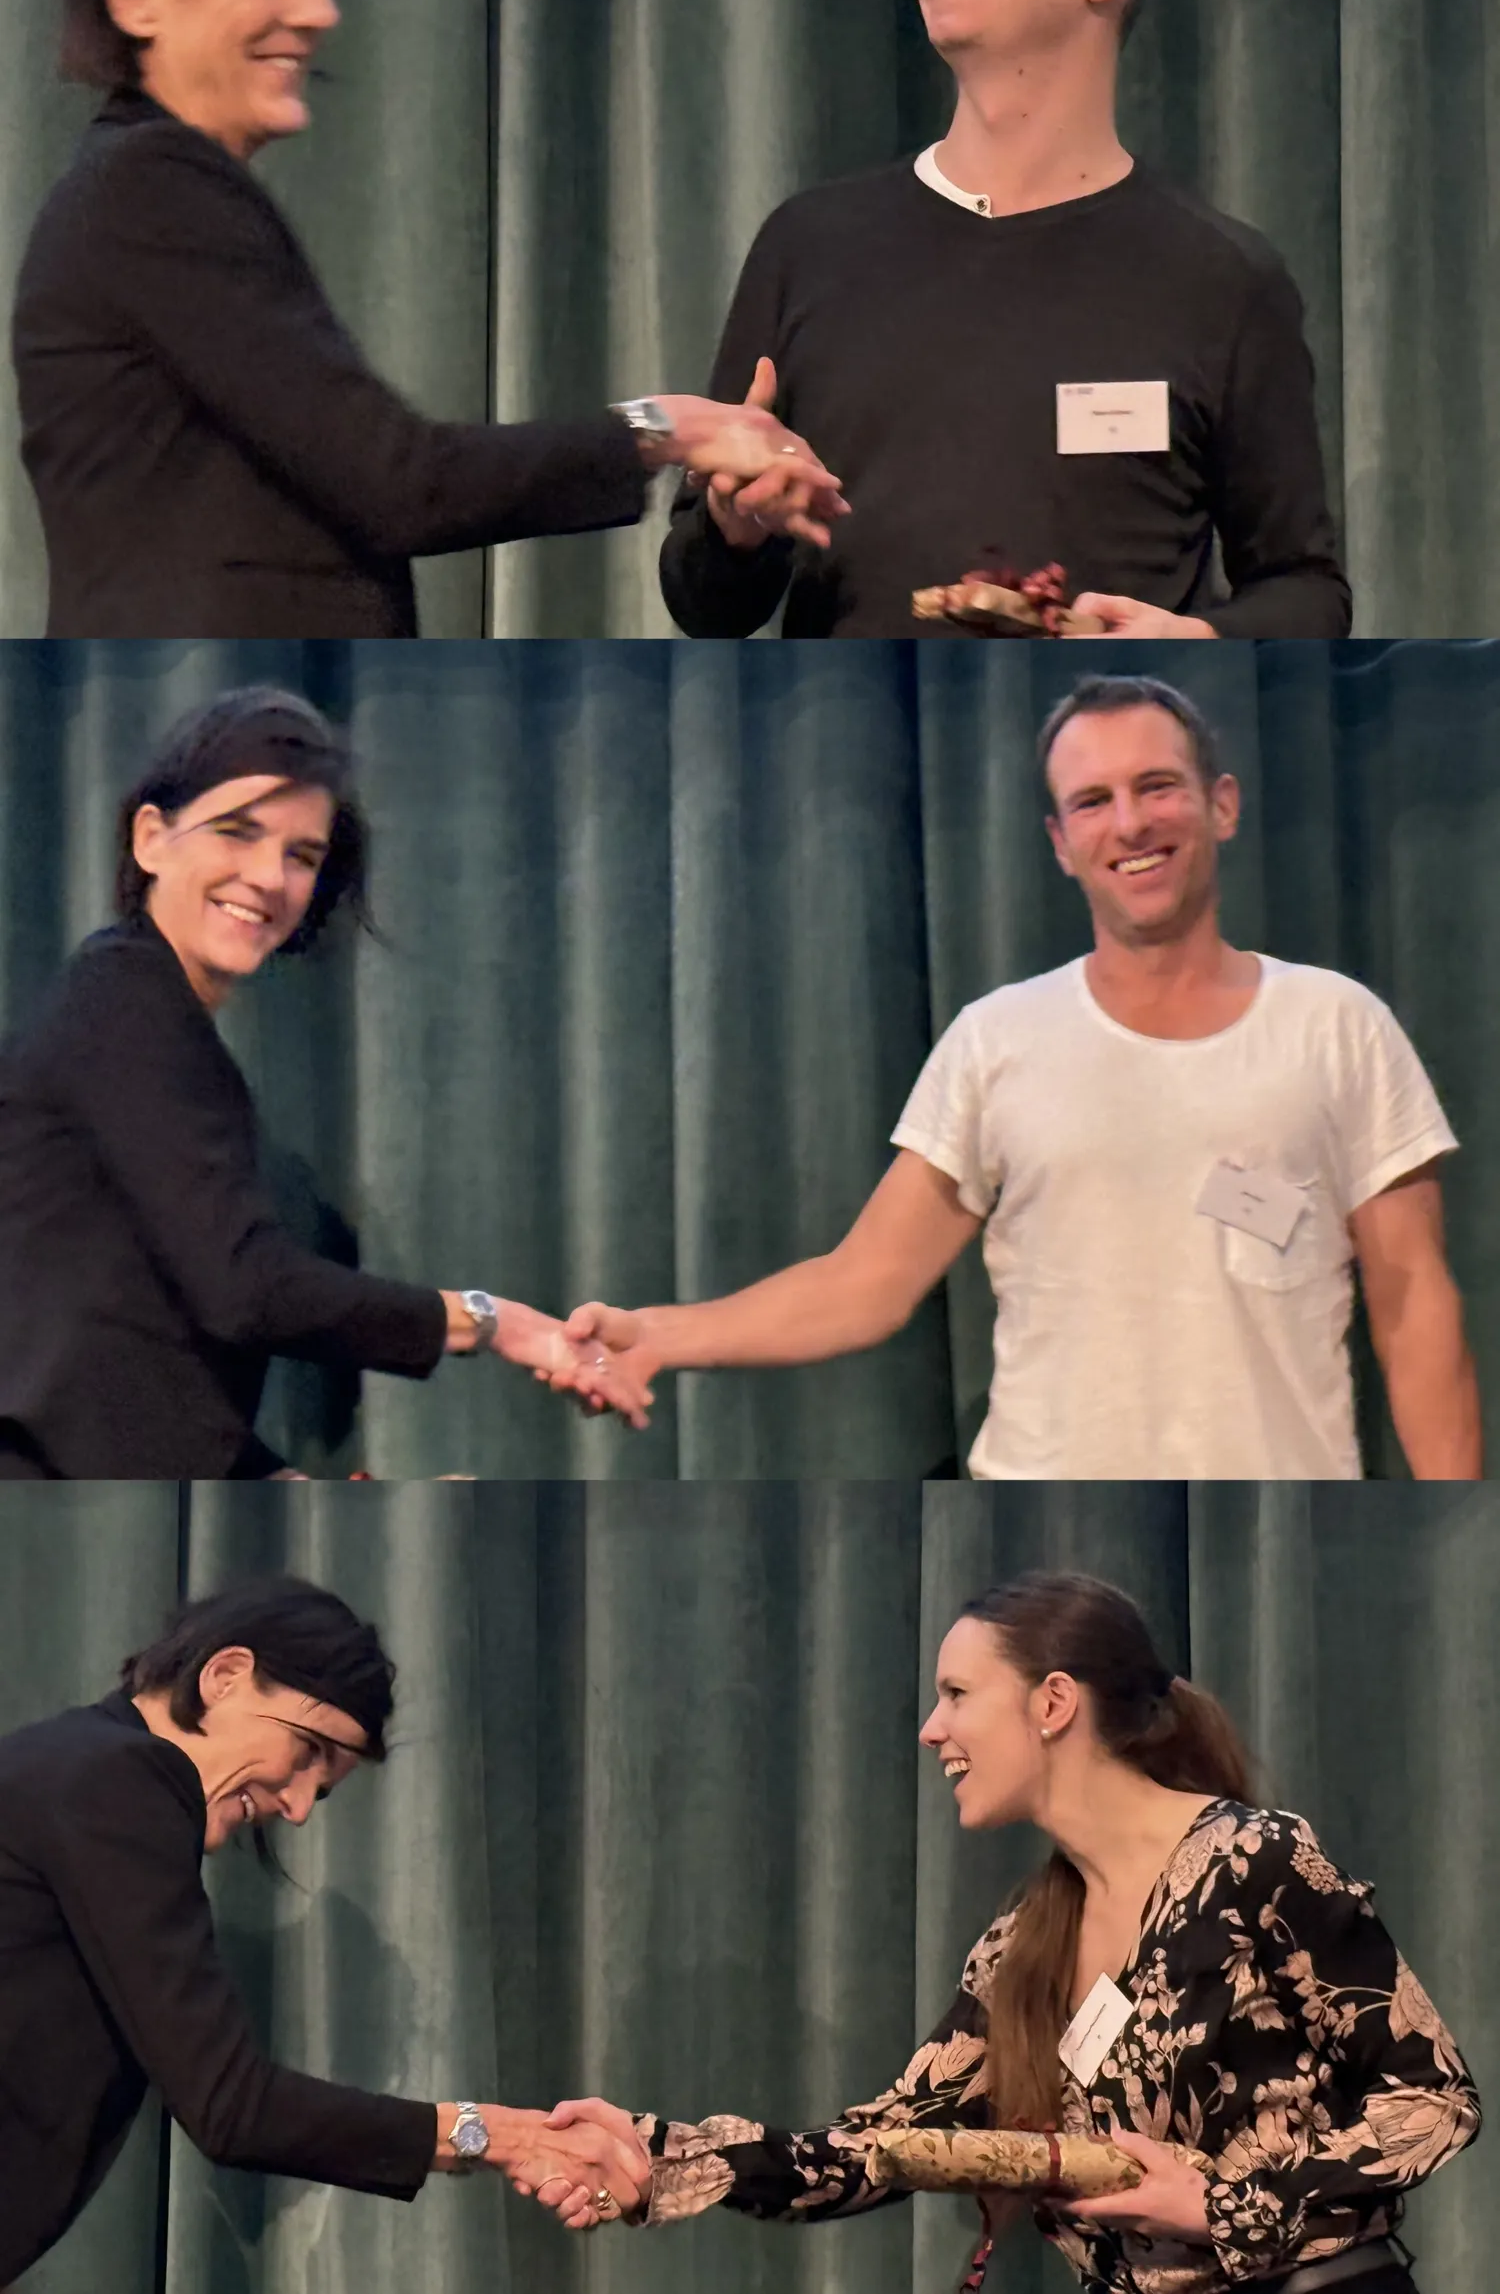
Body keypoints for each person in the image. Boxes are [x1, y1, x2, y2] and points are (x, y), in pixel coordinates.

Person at [559, 676, 1481, 1481]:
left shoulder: (1339, 1024)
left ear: (1223, 804)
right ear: (1058, 840)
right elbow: (866, 1282)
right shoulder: (994, 1040)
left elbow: (1414, 1302)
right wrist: (662, 1335)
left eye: (1158, 785)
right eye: (1093, 800)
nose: (1129, 822)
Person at [11, 0, 844, 642]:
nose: (317, 12)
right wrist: (671, 425)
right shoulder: (151, 185)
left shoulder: (143, 187)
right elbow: (403, 482)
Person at [535, 1572, 1479, 2292]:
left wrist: (1226, 2208)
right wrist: (656, 2152)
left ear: (1053, 1702)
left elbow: (1433, 2097)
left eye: (955, 1692)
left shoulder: (1255, 1860)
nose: (928, 1727)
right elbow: (886, 2143)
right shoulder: (1022, 1939)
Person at [659, 0, 1351, 642]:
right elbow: (701, 602)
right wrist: (737, 524)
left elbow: (1306, 591)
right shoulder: (809, 246)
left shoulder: (1223, 279)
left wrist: (1202, 642)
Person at [0, 685, 649, 1480]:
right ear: (150, 838)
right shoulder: (125, 1000)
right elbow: (246, 1287)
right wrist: (496, 1321)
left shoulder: (134, 1003)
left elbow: (129, 1349)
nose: (269, 877)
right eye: (237, 833)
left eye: (300, 854)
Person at [0, 1575, 650, 2289]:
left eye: (325, 1785)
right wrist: (501, 2135)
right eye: (308, 1749)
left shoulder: (66, 1759)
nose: (302, 1806)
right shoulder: (118, 1783)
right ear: (225, 1675)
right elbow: (233, 2108)